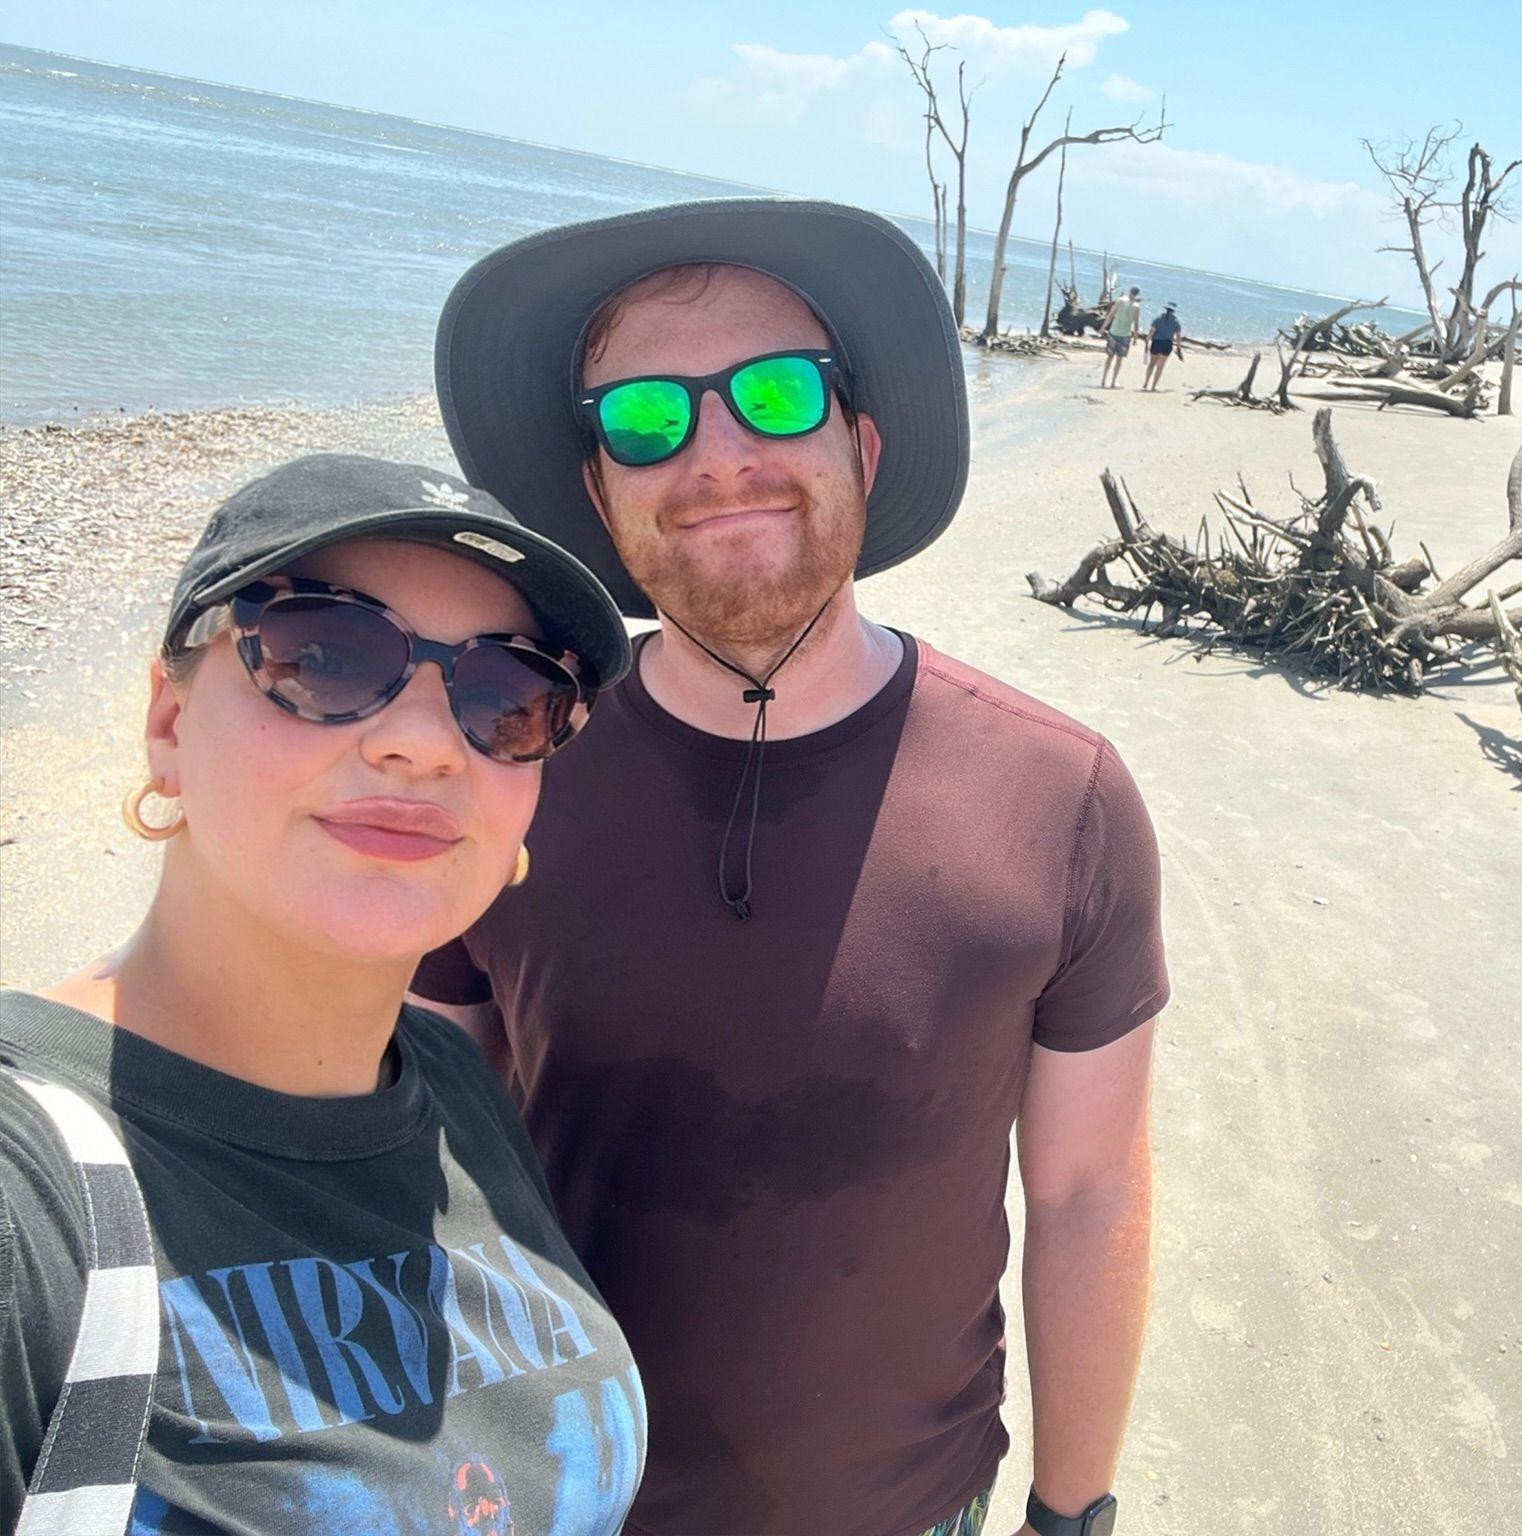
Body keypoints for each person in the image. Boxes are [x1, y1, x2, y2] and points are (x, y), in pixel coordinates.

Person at [419, 200, 1168, 1536]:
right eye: (646, 419)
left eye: (773, 393)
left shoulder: (1063, 798)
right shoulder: (497, 774)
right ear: (600, 489)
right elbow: (423, 1149)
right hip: (555, 1496)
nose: (718, 454)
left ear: (860, 449)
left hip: (912, 1506)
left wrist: (1073, 1512)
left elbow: (1088, 1192)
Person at [0, 455, 646, 1536]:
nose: (424, 743)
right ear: (168, 724)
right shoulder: (30, 1205)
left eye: (508, 696)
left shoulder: (446, 1081)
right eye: (326, 656)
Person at [1099, 284, 1141, 389]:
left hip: (1114, 332)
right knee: (1119, 359)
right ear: (1137, 294)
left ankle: (1104, 380)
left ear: (1130, 290)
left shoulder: (1120, 300)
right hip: (1125, 334)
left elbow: (1111, 315)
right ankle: (1113, 382)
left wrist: (1103, 327)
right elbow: (1136, 323)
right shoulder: (1136, 306)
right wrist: (1135, 337)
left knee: (1110, 357)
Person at [1142, 303, 1184, 390]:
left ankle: (1146, 382)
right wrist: (1179, 347)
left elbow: (1151, 331)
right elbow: (1178, 336)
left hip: (1156, 342)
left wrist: (1147, 340)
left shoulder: (1158, 319)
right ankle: (1153, 386)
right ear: (1174, 311)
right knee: (1160, 366)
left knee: (1151, 364)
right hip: (1167, 344)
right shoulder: (1176, 322)